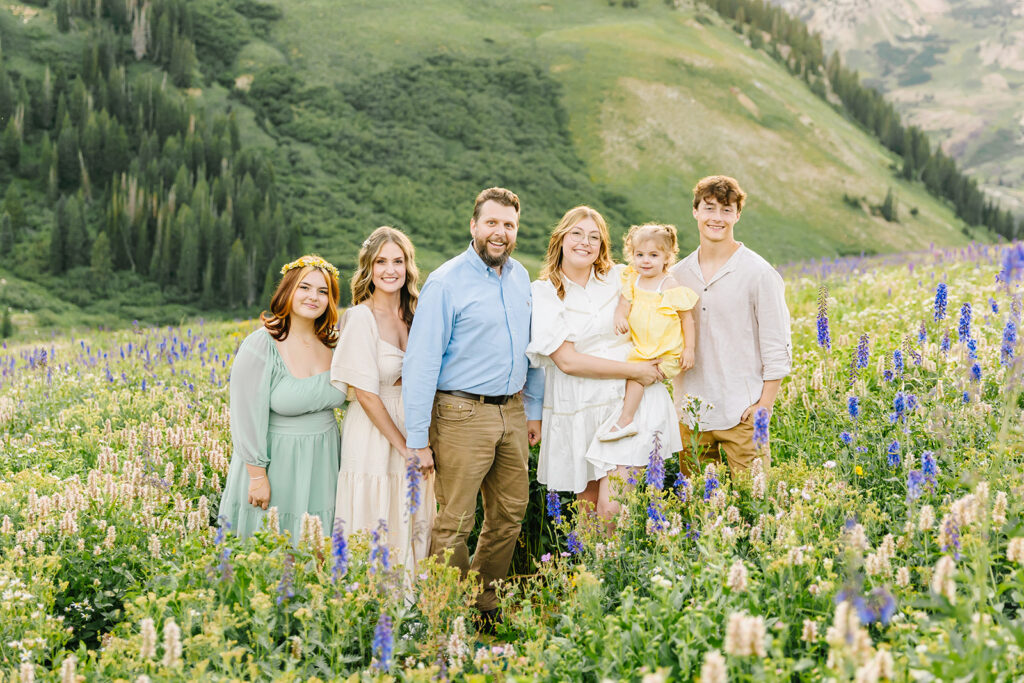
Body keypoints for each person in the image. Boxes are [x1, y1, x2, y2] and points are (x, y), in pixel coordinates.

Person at [403, 187, 543, 631]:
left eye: (509, 225)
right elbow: (422, 363)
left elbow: (533, 349)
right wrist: (417, 439)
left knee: (510, 513)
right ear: (474, 226)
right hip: (460, 413)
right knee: (454, 523)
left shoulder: (522, 277)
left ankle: (484, 605)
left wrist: (533, 409)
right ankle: (448, 609)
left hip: (513, 413)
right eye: (492, 223)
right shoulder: (446, 282)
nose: (500, 232)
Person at [527, 207, 675, 518]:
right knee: (588, 509)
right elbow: (567, 361)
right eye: (577, 234)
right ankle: (589, 569)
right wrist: (635, 370)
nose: (585, 242)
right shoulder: (544, 292)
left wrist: (663, 353)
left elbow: (664, 287)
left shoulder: (622, 276)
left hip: (628, 403)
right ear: (561, 239)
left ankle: (612, 563)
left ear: (602, 245)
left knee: (612, 509)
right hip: (579, 407)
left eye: (594, 237)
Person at [669, 175, 792, 476]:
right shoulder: (676, 275)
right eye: (709, 208)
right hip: (691, 416)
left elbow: (777, 346)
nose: (717, 218)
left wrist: (765, 406)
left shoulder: (759, 273)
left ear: (737, 215)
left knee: (755, 505)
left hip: (743, 412)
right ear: (695, 211)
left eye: (726, 210)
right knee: (696, 508)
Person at [218, 255, 347, 540]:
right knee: (270, 547)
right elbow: (245, 416)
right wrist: (256, 476)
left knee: (315, 547)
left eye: (323, 291)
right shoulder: (261, 344)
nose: (314, 297)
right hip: (276, 463)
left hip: (323, 461)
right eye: (305, 287)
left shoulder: (335, 344)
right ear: (287, 290)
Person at [332, 227, 435, 571]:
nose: (390, 270)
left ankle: (415, 609)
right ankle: (372, 609)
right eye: (381, 262)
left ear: (408, 267)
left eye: (398, 261)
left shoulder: (417, 314)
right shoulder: (360, 317)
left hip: (415, 423)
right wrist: (406, 447)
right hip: (374, 432)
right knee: (377, 514)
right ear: (369, 268)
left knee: (413, 512)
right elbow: (364, 393)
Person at [600, 223, 698, 441]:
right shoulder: (633, 279)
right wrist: (619, 317)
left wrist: (689, 349)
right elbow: (623, 304)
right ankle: (623, 417)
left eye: (653, 255)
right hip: (643, 348)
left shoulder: (668, 284)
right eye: (640, 254)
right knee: (626, 371)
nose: (645, 260)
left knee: (637, 377)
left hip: (665, 352)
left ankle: (625, 420)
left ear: (667, 258)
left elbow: (687, 319)